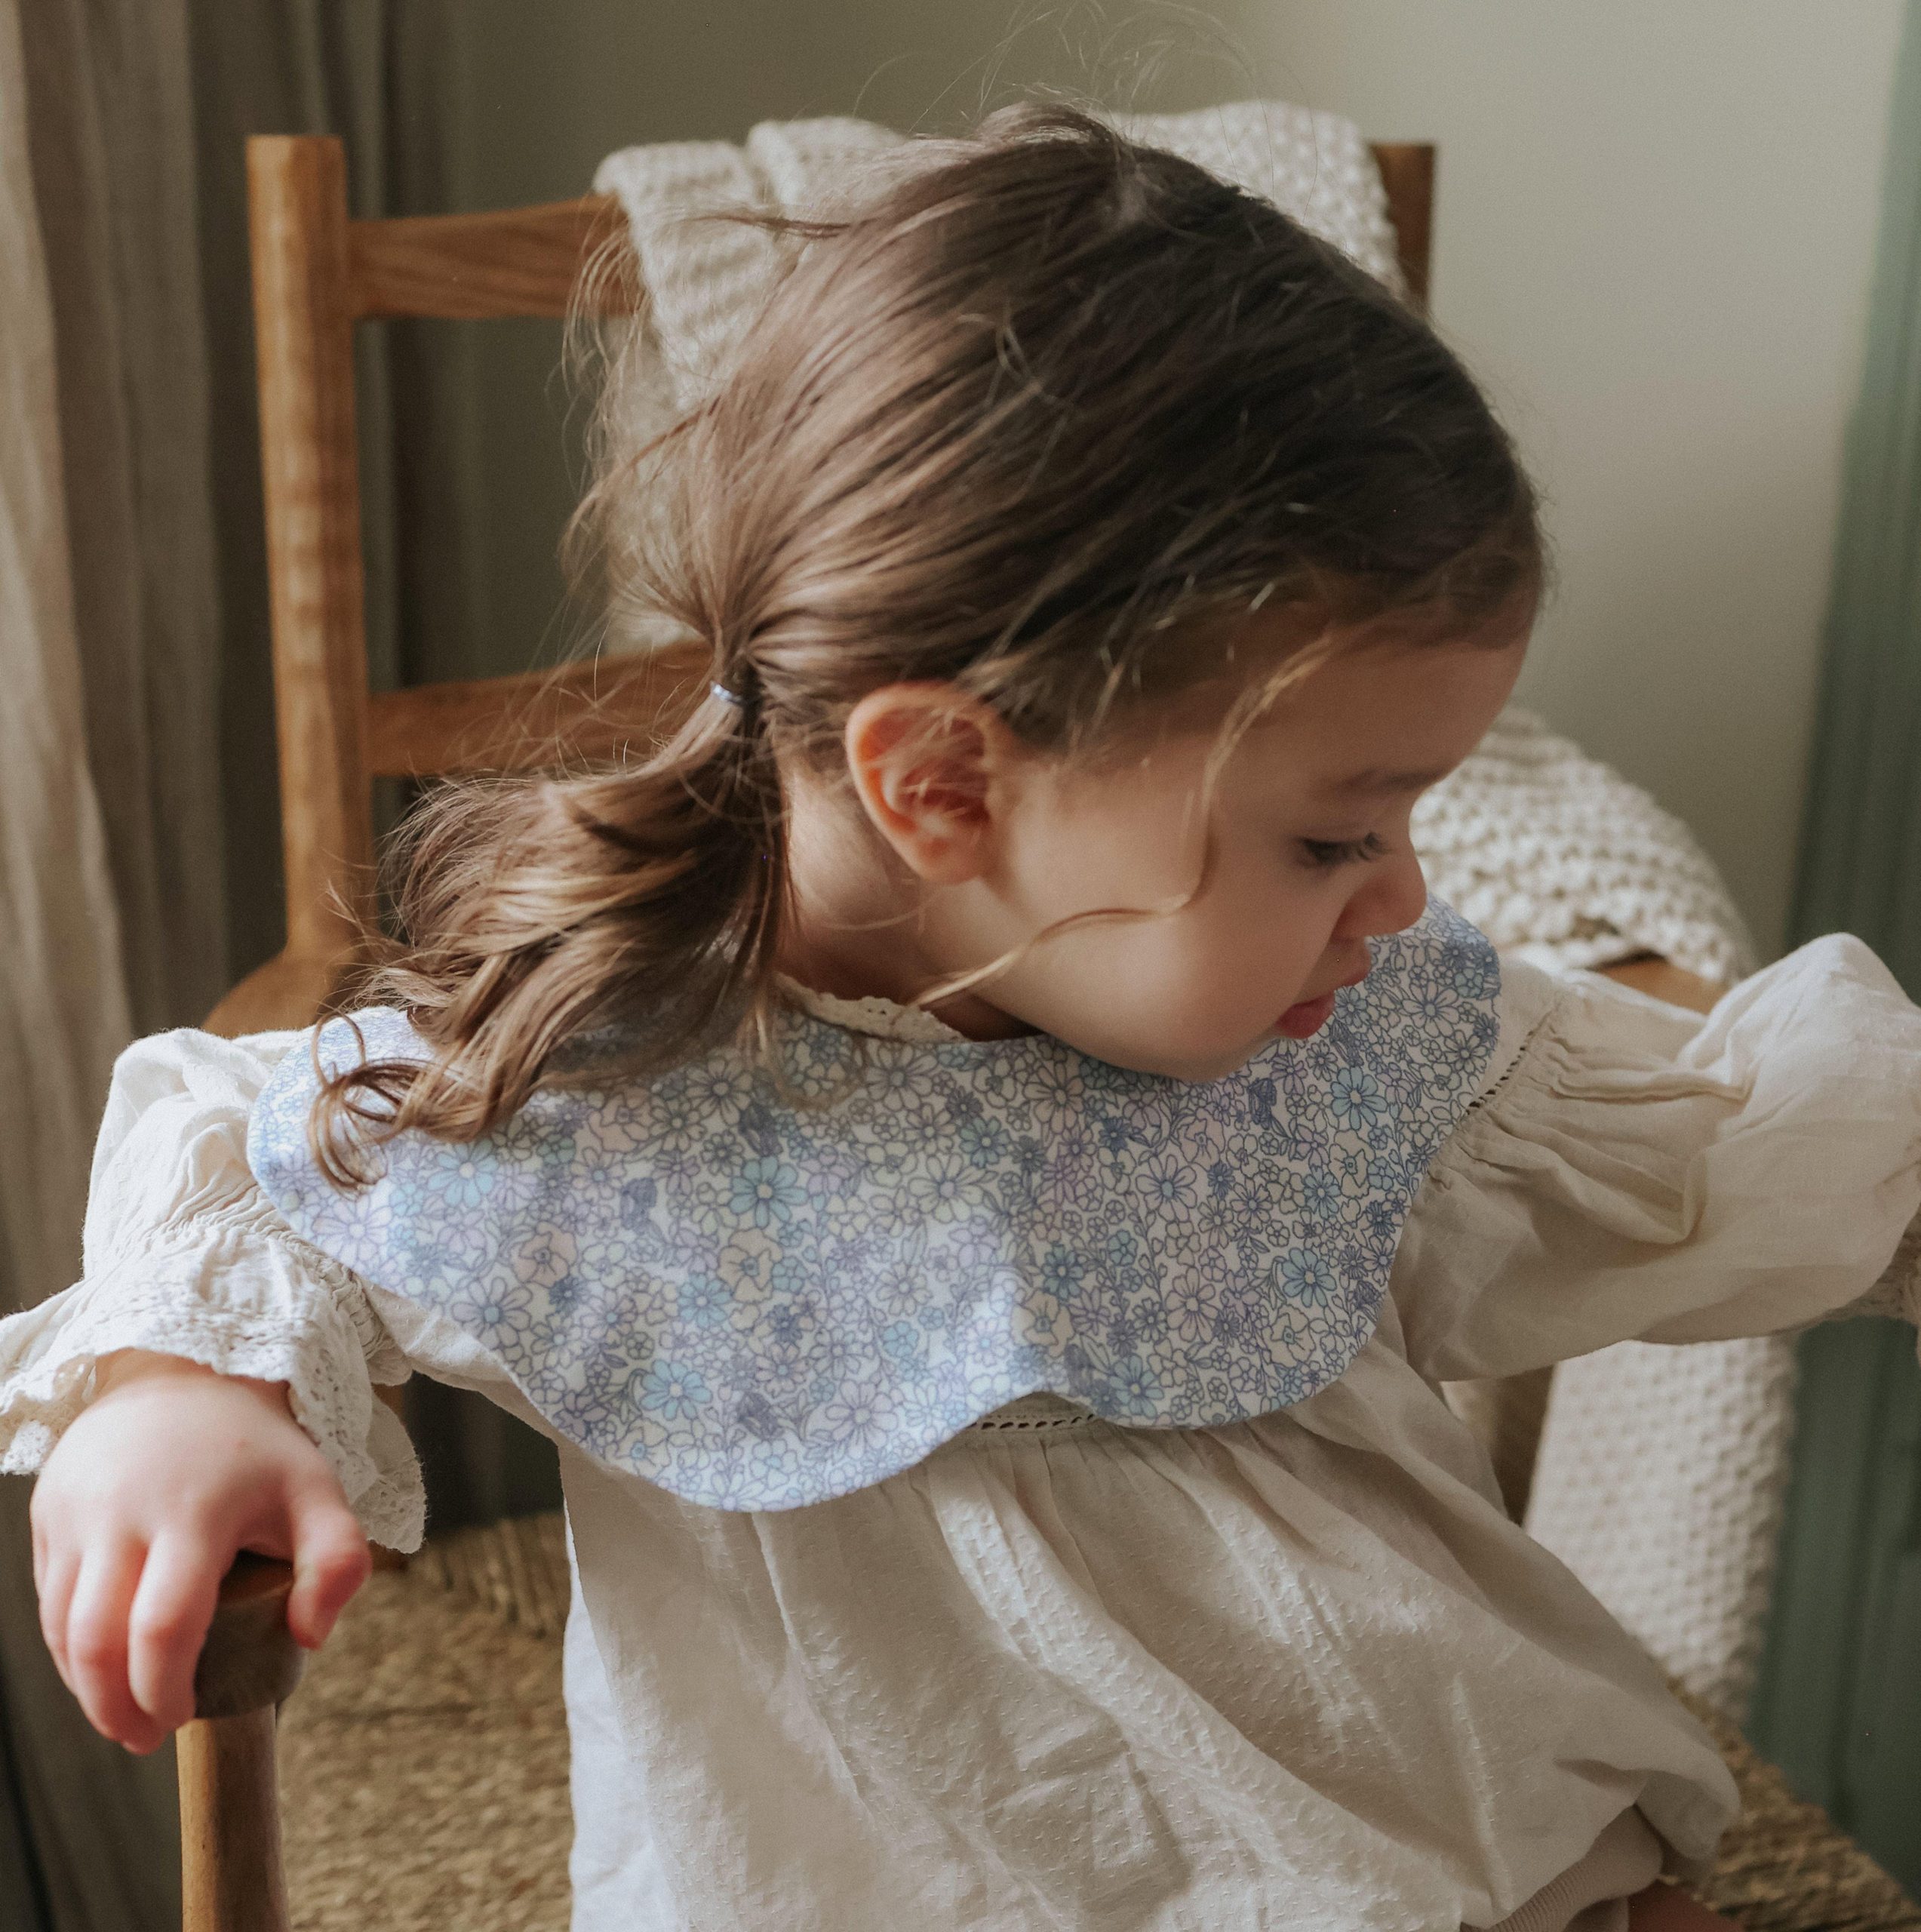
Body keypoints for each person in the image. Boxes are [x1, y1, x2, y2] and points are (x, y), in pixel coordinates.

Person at [5, 106, 1917, 1932]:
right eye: (1335, 831)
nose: (1404, 894)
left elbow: (1736, 1136)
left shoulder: (1349, 1046)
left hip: (1451, 1845)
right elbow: (255, 1157)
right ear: (940, 783)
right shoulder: (599, 1082)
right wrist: (178, 1391)